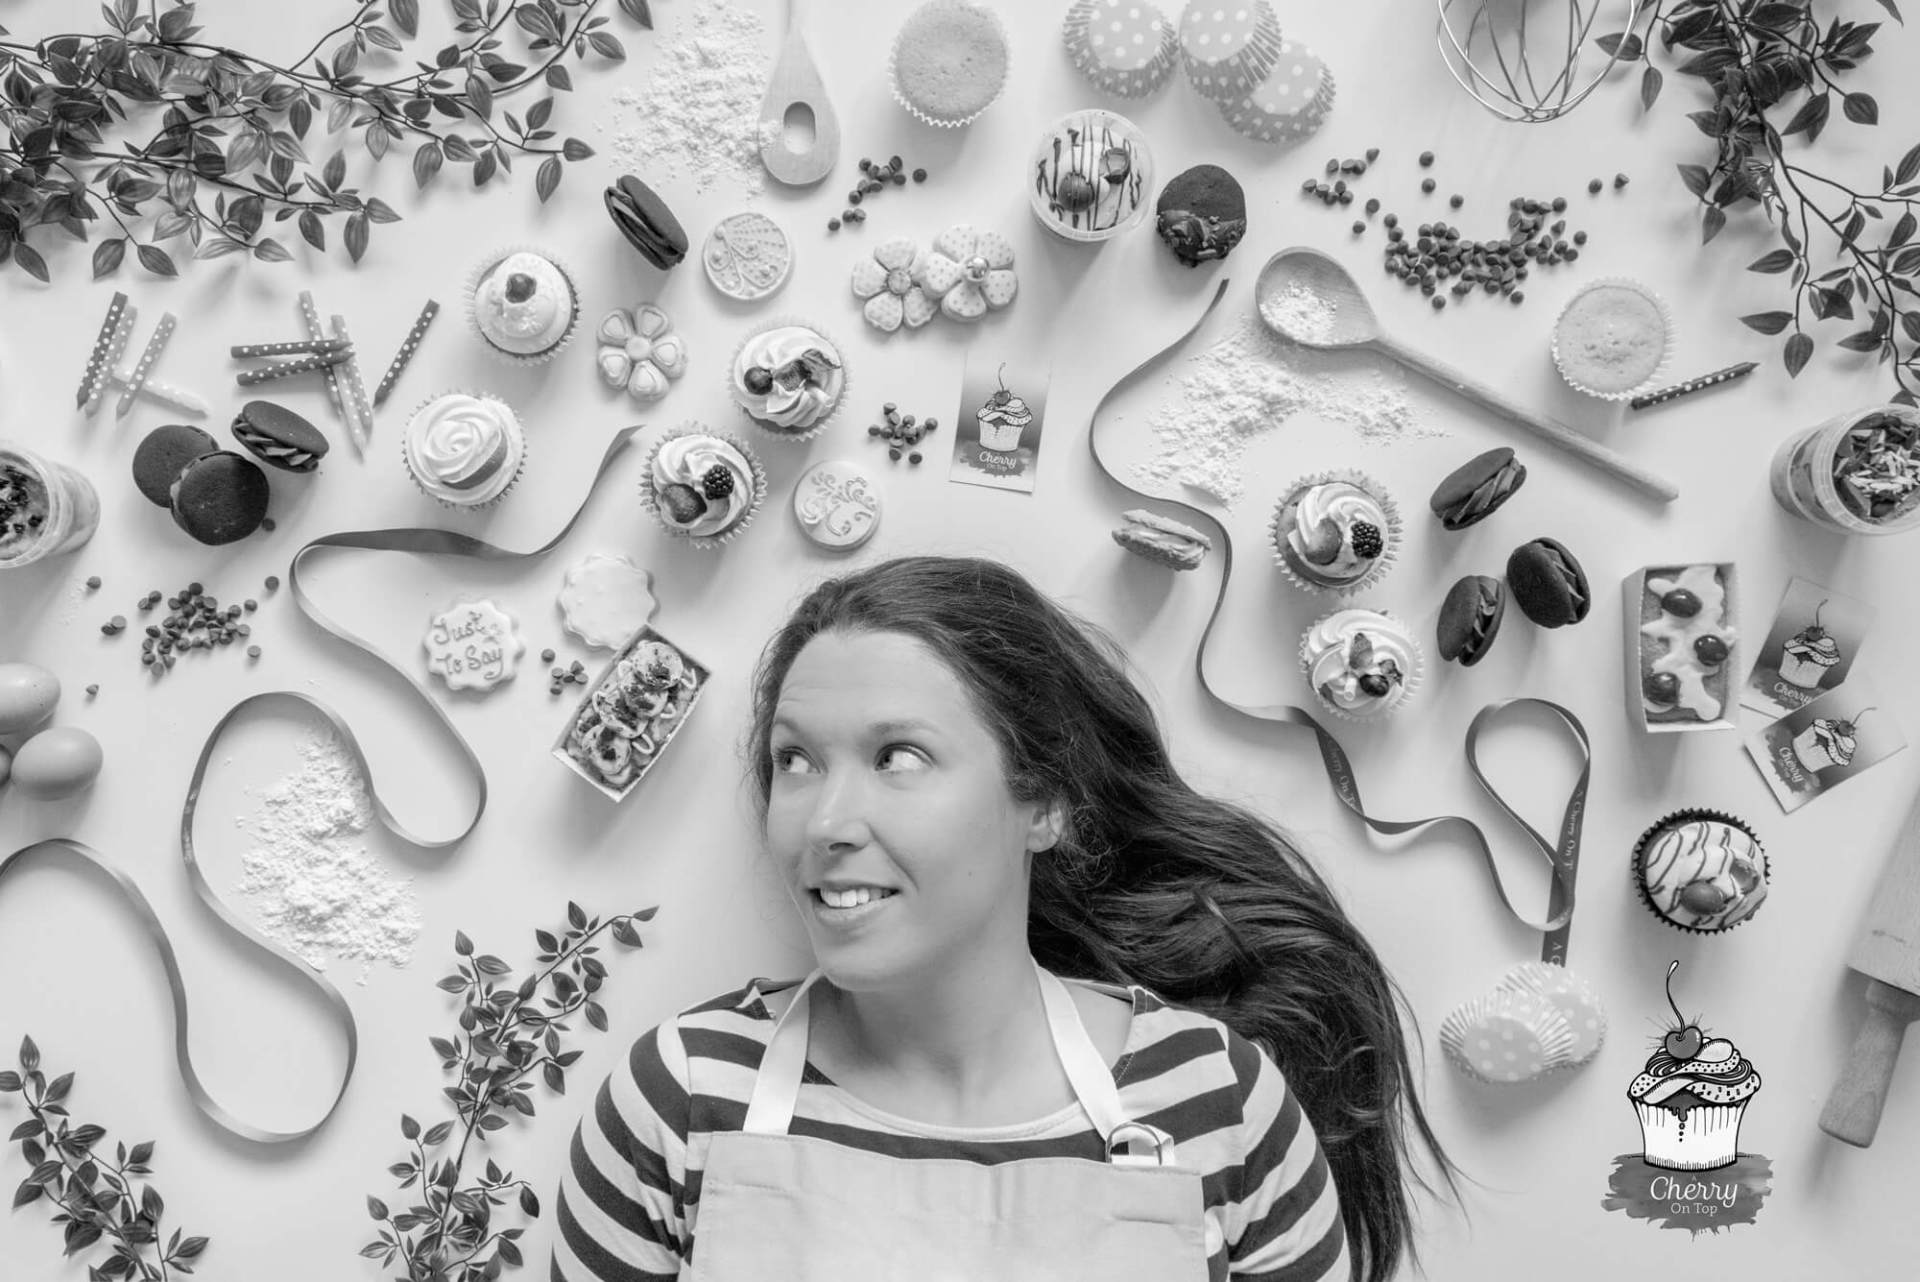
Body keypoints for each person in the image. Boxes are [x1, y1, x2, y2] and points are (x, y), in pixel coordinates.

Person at [552, 556, 1455, 1282]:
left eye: (898, 755)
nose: (825, 823)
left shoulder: (1218, 1103)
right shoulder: (679, 1095)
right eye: (796, 760)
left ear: (1044, 803)